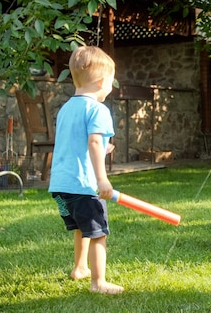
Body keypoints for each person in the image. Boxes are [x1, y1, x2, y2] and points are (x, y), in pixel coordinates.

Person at [48, 45, 123, 294]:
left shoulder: (66, 108)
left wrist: (103, 149)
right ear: (102, 81)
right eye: (111, 81)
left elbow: (79, 143)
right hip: (84, 184)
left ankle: (80, 268)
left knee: (82, 227)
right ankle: (98, 283)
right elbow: (92, 141)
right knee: (98, 232)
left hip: (60, 186)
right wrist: (101, 179)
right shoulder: (98, 110)